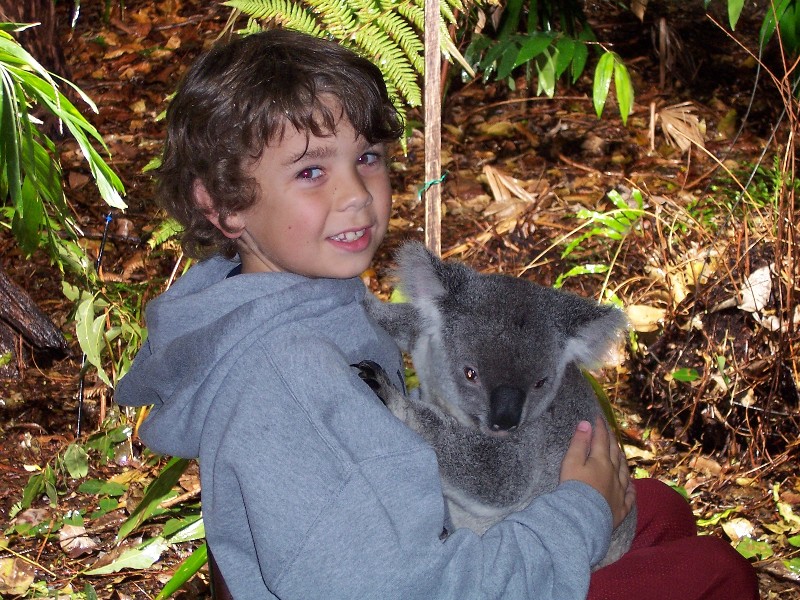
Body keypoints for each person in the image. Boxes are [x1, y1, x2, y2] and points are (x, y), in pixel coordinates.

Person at [115, 29, 759, 600]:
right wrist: (581, 509)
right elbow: (408, 584)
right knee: (712, 573)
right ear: (222, 206)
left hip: (409, 534)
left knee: (660, 511)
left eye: (366, 158)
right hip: (422, 578)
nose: (356, 195)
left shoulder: (304, 304)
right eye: (311, 171)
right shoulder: (288, 377)